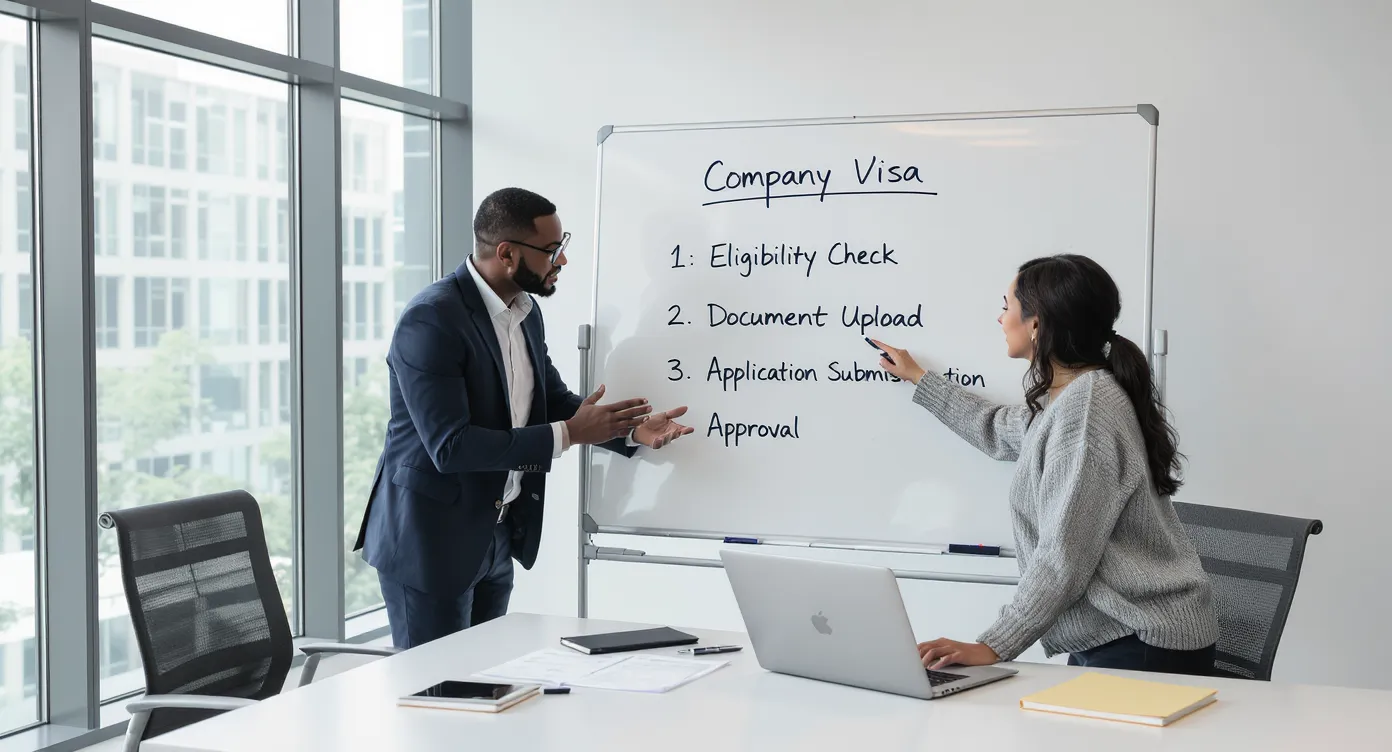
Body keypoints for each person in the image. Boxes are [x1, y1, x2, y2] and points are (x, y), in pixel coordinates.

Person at [353, 187, 694, 649]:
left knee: (486, 683)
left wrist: (628, 430)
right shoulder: (431, 320)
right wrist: (570, 434)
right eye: (552, 250)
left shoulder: (525, 312)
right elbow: (450, 447)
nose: (562, 262)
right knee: (436, 698)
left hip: (495, 534)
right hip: (429, 544)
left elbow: (549, 399)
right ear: (507, 253)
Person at [871, 254, 1218, 676]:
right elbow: (999, 429)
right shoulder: (1070, 399)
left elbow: (1062, 556)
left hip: (1142, 640)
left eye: (1006, 306)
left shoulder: (1086, 411)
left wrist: (994, 644)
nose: (1000, 318)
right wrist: (920, 378)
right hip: (1115, 634)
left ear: (1036, 324)